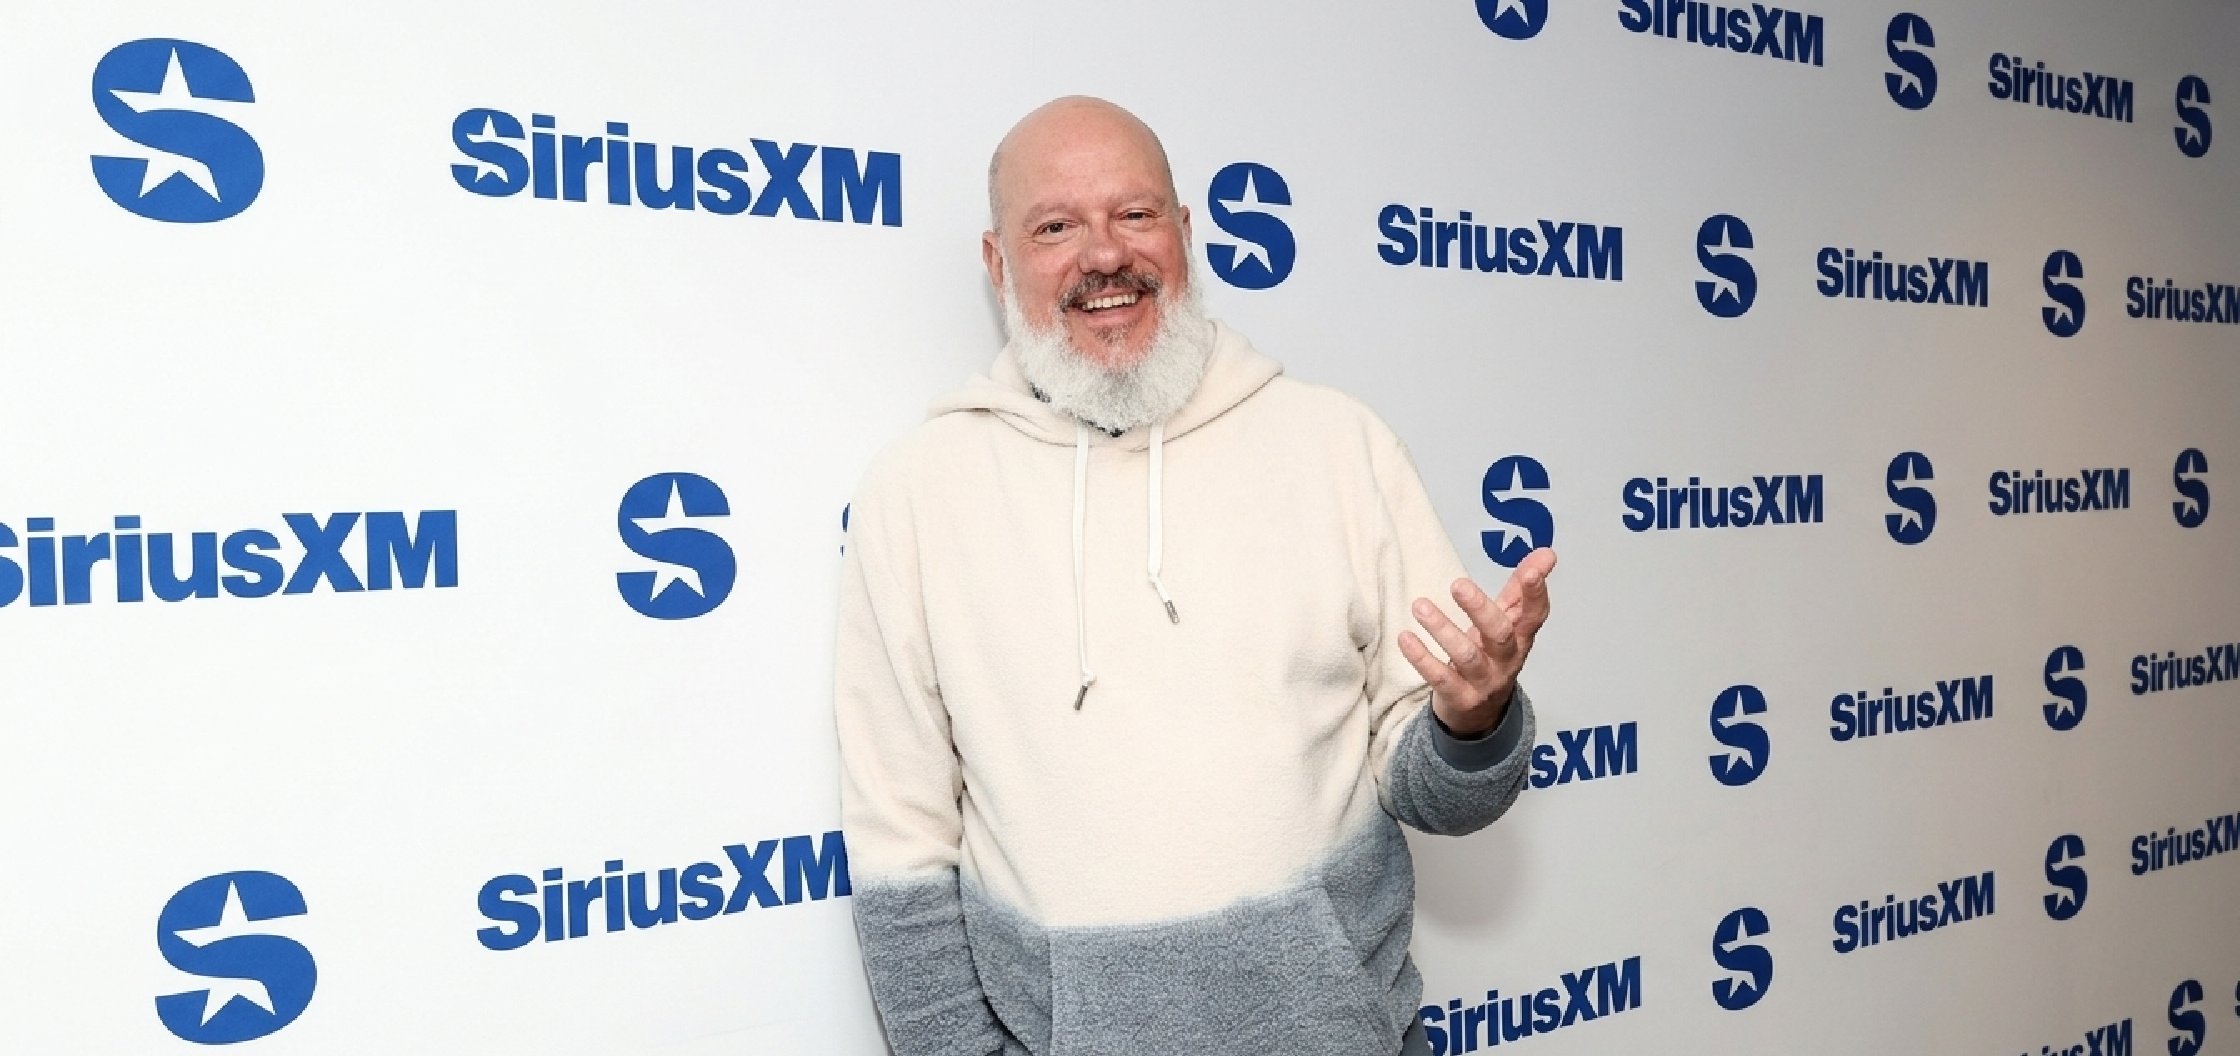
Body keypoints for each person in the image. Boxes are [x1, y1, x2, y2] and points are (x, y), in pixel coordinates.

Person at [834, 96, 1556, 1056]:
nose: (1104, 254)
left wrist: (1473, 723)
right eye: (1056, 227)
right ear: (998, 264)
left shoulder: (1337, 444)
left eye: (1134, 214)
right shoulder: (916, 494)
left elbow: (1444, 796)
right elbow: (901, 850)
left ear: (1184, 232)